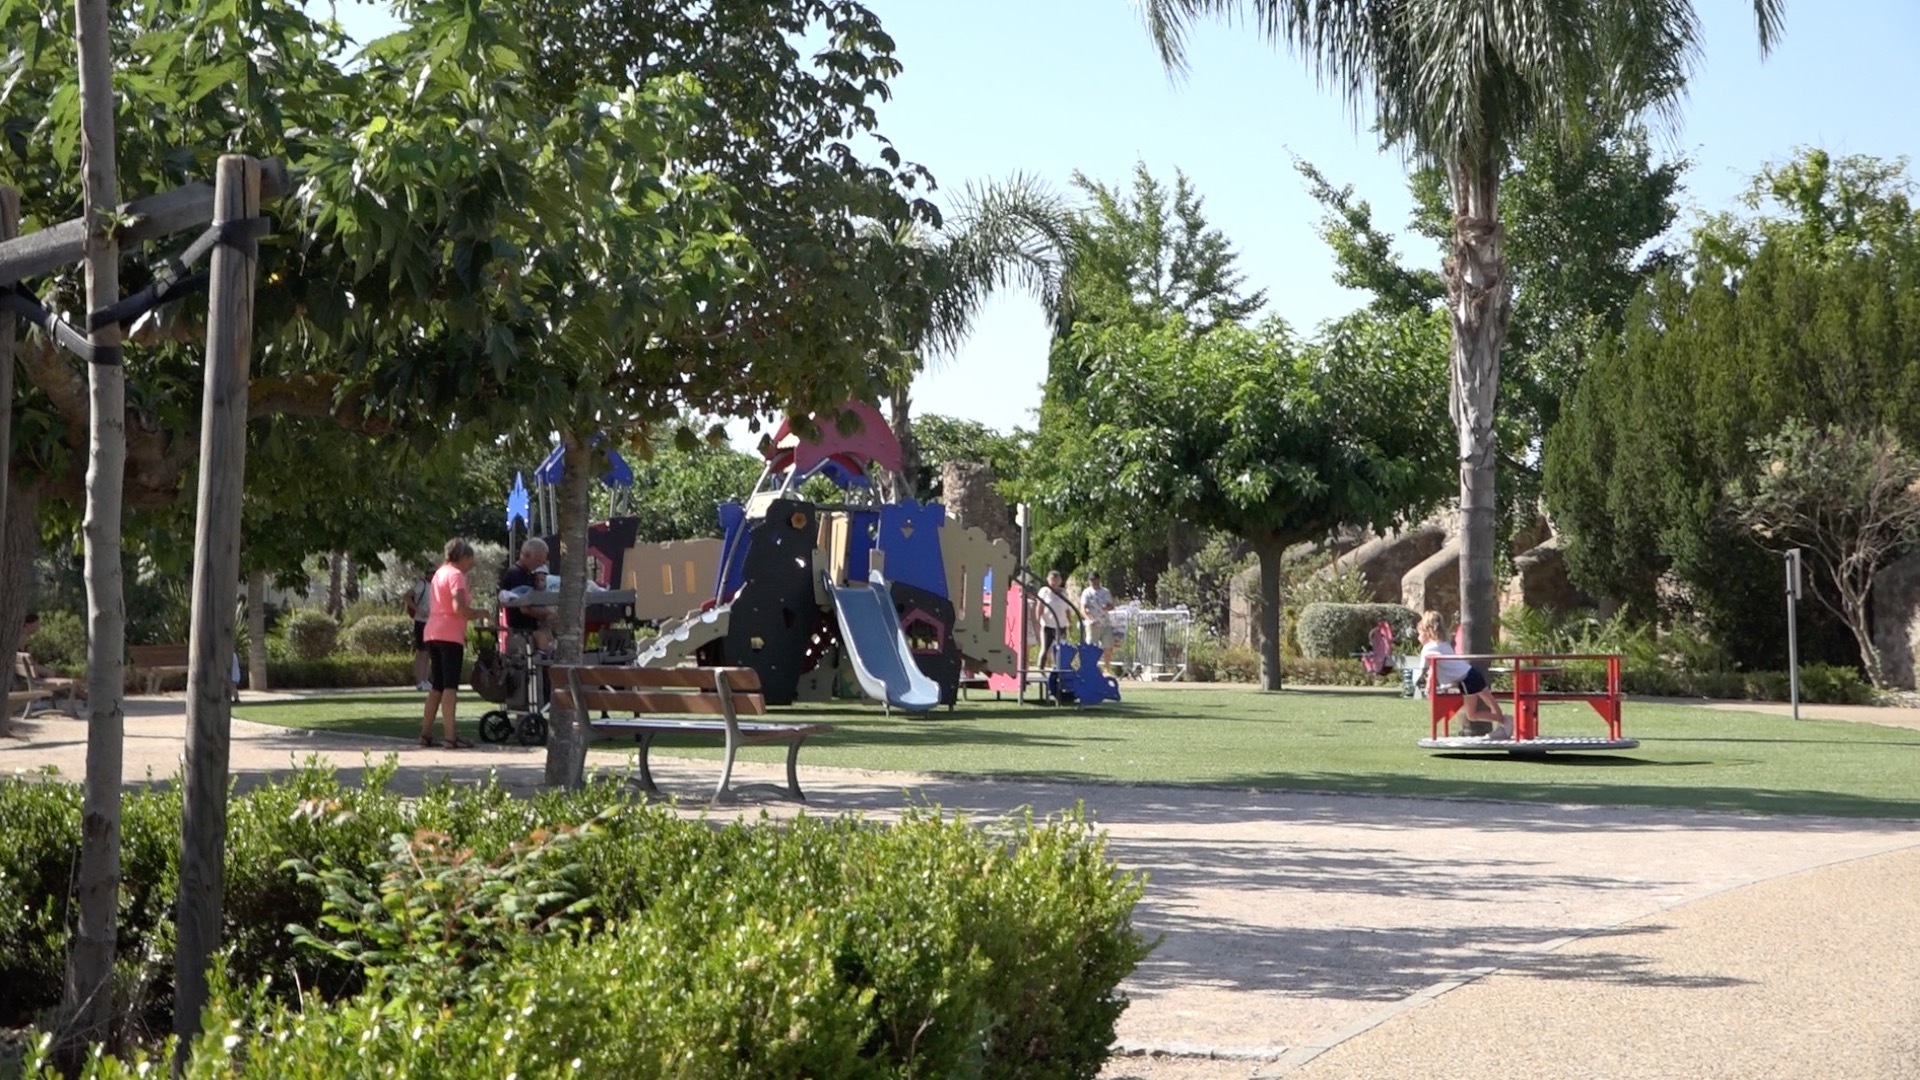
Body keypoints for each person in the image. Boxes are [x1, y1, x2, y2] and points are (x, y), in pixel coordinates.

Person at [420, 538, 487, 748]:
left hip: (432, 630)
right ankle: (450, 736)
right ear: (463, 557)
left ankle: (426, 734)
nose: (472, 564)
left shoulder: (440, 572)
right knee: (450, 685)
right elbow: (459, 608)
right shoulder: (457, 575)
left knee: (437, 685)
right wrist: (479, 613)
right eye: (470, 559)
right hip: (450, 633)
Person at [1416, 610, 1509, 739]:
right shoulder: (1444, 644)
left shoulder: (1427, 649)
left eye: (1419, 634)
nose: (1418, 637)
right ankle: (1506, 722)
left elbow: (1426, 670)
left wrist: (1427, 688)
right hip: (1472, 673)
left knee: (1471, 714)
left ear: (1426, 632)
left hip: (1467, 680)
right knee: (1491, 703)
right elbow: (1447, 668)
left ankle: (1506, 720)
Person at [499, 538, 557, 653]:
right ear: (526, 555)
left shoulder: (529, 575)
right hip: (521, 631)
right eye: (537, 561)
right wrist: (550, 613)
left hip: (532, 629)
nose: (540, 565)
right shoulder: (515, 575)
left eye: (542, 562)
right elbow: (524, 608)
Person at [1035, 570, 1076, 668]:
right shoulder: (1044, 591)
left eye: (1056, 580)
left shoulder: (1064, 593)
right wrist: (1038, 621)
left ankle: (1058, 668)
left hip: (1061, 625)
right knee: (1045, 649)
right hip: (1048, 625)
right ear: (1048, 580)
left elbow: (1067, 609)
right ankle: (1041, 669)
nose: (1054, 582)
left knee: (1060, 648)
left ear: (1060, 581)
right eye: (1052, 580)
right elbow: (1039, 607)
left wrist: (1069, 623)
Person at [1079, 571, 1114, 672]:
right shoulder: (1087, 592)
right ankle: (1090, 668)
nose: (1093, 582)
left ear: (1099, 579)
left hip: (1105, 623)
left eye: (1095, 579)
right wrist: (1089, 619)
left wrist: (1107, 607)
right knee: (1091, 648)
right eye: (1091, 580)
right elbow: (1082, 608)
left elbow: (1111, 606)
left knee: (1108, 647)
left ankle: (1107, 669)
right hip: (1093, 624)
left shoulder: (1105, 592)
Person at [404, 570, 433, 691]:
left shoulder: (435, 586)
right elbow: (406, 596)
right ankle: (420, 681)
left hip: (431, 622)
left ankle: (425, 680)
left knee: (428, 652)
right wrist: (418, 610)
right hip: (421, 621)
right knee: (422, 652)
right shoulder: (422, 584)